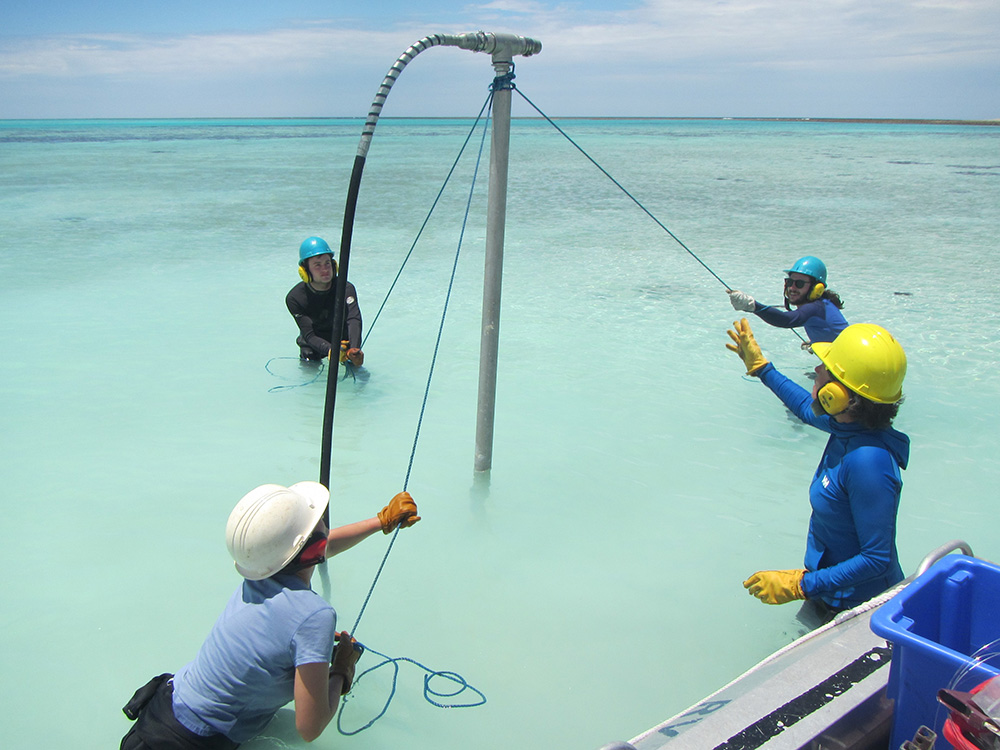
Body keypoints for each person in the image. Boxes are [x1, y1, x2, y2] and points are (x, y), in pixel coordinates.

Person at [120, 482, 420, 749]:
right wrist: (342, 669)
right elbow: (310, 728)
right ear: (314, 546)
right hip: (194, 742)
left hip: (163, 710)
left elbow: (312, 550)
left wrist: (382, 522)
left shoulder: (258, 574)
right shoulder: (314, 615)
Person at [726, 318, 909, 626]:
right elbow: (803, 408)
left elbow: (876, 559)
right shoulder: (848, 428)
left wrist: (799, 585)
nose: (818, 370)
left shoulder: (868, 462)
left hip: (861, 610)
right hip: (828, 590)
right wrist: (761, 368)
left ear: (840, 394)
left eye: (826, 367)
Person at [728, 255, 848, 344]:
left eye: (799, 283)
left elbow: (786, 320)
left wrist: (752, 306)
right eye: (789, 282)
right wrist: (817, 342)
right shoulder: (822, 305)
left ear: (817, 288)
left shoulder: (815, 308)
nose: (792, 288)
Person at [286, 236, 364, 365]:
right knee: (309, 364)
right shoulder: (295, 298)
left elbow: (353, 319)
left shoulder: (345, 288)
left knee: (358, 372)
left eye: (327, 263)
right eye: (317, 265)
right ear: (305, 271)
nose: (325, 269)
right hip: (313, 344)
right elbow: (309, 335)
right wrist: (331, 351)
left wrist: (355, 349)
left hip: (344, 343)